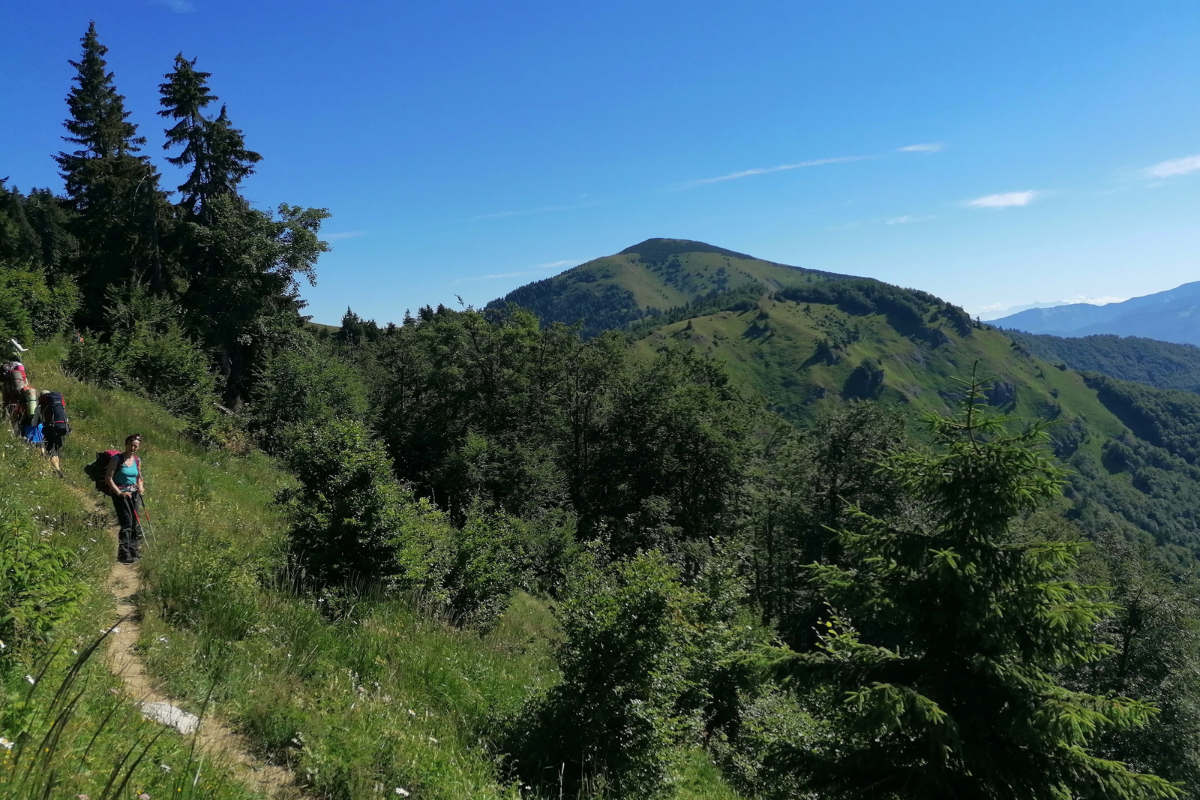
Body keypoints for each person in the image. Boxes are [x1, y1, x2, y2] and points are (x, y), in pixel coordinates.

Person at [105, 434, 145, 563]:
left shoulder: (137, 460)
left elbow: (139, 477)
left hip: (134, 494)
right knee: (126, 523)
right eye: (131, 445)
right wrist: (119, 493)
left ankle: (133, 550)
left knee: (134, 522)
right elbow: (108, 478)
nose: (133, 448)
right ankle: (123, 553)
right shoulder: (116, 459)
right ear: (126, 444)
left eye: (135, 446)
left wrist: (141, 487)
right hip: (121, 495)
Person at [36, 390, 69, 476]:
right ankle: (57, 469)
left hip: (50, 429)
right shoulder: (59, 405)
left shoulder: (41, 407)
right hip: (62, 428)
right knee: (56, 450)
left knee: (51, 450)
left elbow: (35, 422)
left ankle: (57, 469)